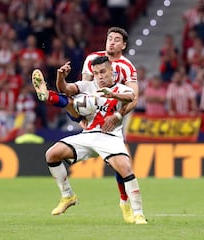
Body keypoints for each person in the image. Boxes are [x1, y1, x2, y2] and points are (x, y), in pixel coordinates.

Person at [35, 27, 139, 223]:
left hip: (112, 116)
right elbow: (86, 89)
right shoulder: (93, 58)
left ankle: (124, 202)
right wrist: (82, 115)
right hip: (91, 112)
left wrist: (118, 114)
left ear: (123, 45)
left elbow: (133, 98)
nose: (112, 42)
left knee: (121, 167)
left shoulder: (127, 67)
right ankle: (49, 95)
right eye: (110, 38)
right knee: (74, 102)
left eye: (117, 40)